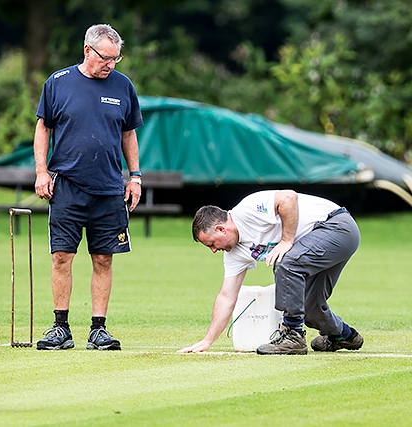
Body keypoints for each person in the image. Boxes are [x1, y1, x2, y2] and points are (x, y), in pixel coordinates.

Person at [33, 24, 143, 351]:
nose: (110, 64)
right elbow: (44, 129)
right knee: (62, 256)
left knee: (104, 259)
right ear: (87, 50)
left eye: (115, 58)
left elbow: (128, 134)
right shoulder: (58, 83)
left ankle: (98, 329)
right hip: (66, 185)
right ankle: (60, 327)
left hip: (109, 188)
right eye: (105, 57)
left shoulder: (123, 86)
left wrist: (134, 176)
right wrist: (41, 171)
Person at [178, 189, 364, 355]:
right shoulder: (234, 253)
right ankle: (344, 336)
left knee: (286, 262)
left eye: (211, 244)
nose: (213, 250)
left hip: (337, 227)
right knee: (309, 307)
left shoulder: (248, 209)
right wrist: (207, 341)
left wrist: (286, 240)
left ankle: (293, 335)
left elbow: (288, 198)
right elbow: (227, 297)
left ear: (220, 229)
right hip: (322, 240)